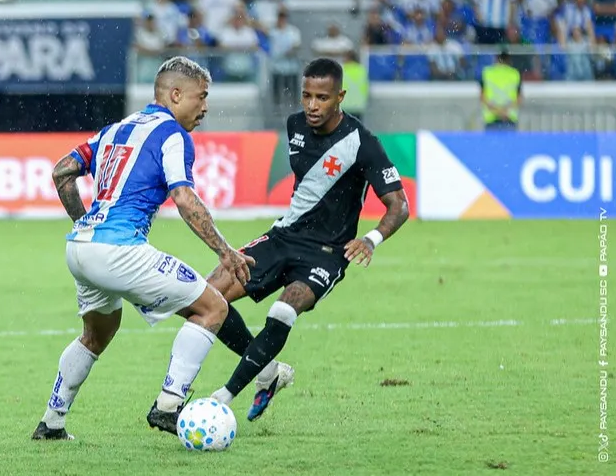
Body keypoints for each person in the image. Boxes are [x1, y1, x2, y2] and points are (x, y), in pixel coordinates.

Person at [31, 56, 254, 440]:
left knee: (97, 335)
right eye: (201, 98)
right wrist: (225, 251)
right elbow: (184, 198)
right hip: (119, 250)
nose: (205, 107)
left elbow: (62, 171)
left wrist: (85, 224)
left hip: (81, 248)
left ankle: (52, 423)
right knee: (213, 307)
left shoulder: (116, 128)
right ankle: (168, 406)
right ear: (176, 94)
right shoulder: (172, 134)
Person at [207, 58, 410, 420]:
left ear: (340, 96)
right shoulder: (295, 125)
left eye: (322, 97)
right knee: (206, 297)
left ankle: (221, 400)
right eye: (307, 96)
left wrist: (371, 238)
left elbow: (399, 204)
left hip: (328, 253)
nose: (313, 106)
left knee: (283, 310)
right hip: (283, 235)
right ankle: (268, 373)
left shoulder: (363, 143)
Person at [480, 49, 522, 131]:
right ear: (509, 60)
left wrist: (496, 111)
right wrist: (504, 111)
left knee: (491, 143)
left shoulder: (487, 72)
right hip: (509, 117)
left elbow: (482, 97)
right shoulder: (514, 73)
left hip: (491, 117)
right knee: (510, 143)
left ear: (496, 58)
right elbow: (519, 98)